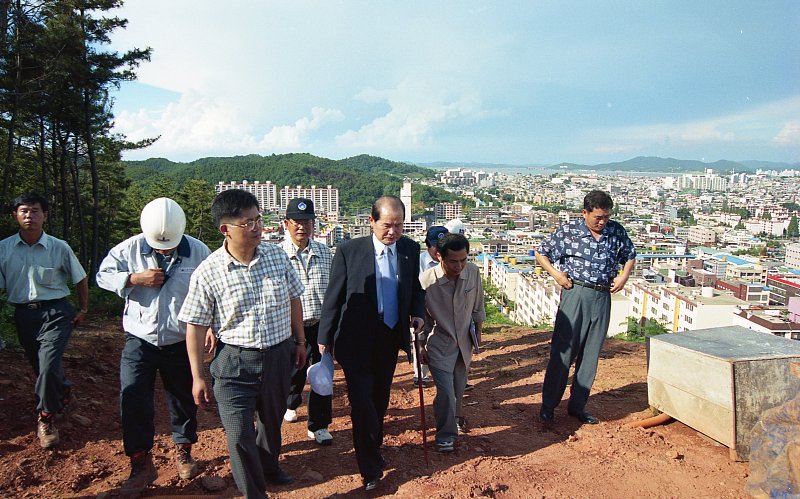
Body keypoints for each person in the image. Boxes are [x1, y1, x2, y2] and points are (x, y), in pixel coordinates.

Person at [178, 189, 307, 499]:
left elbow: (294, 299)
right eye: (248, 222)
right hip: (235, 364)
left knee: (271, 422)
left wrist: (300, 340)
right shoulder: (208, 272)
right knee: (238, 435)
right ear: (226, 229)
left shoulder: (276, 256)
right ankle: (254, 493)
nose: (258, 227)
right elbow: (194, 328)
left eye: (258, 219)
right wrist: (197, 376)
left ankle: (269, 466)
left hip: (278, 355)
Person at [96, 198, 211, 493]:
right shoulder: (129, 249)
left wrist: (211, 325)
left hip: (181, 338)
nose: (163, 249)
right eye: (158, 245)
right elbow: (102, 275)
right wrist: (133, 278)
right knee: (133, 397)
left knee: (183, 398)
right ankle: (140, 462)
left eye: (169, 244)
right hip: (140, 337)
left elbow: (212, 290)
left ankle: (184, 450)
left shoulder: (198, 251)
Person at [318, 195, 425, 492]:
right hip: (355, 338)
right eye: (387, 226)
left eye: (399, 226)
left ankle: (372, 442)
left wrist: (417, 313)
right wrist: (323, 339)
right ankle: (370, 467)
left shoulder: (409, 249)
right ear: (371, 221)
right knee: (362, 401)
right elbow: (334, 296)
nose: (393, 232)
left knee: (379, 398)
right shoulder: (350, 251)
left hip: (390, 335)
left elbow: (414, 287)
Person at [535, 190, 636, 425]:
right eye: (597, 217)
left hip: (602, 296)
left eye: (606, 217)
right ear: (585, 212)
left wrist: (623, 277)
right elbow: (542, 252)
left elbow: (630, 254)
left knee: (590, 355)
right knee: (563, 352)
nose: (602, 222)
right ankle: (548, 406)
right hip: (576, 293)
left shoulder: (616, 231)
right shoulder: (569, 231)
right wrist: (556, 275)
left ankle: (577, 406)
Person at [0, 192, 88, 449]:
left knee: (48, 363)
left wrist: (83, 309)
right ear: (16, 215)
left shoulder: (58, 247)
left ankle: (46, 417)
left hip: (56, 312)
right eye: (24, 211)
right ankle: (62, 389)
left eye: (35, 211)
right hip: (24, 314)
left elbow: (80, 278)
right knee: (40, 367)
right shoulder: (4, 249)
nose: (30, 216)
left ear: (45, 215)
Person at [419, 233, 485, 453]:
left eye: (463, 260)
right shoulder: (427, 281)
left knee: (458, 388)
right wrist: (420, 346)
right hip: (439, 344)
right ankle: (445, 435)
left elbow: (478, 308)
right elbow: (420, 319)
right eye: (453, 261)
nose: (459, 266)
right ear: (440, 257)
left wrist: (479, 335)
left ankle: (455, 419)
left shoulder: (473, 272)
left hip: (464, 344)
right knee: (446, 391)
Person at [280, 198, 334, 446]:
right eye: (297, 222)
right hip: (290, 327)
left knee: (322, 376)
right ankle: (292, 401)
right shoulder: (277, 255)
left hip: (320, 324)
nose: (302, 227)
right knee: (293, 372)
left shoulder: (325, 252)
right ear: (286, 224)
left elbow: (335, 290)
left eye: (307, 222)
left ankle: (319, 425)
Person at [414, 225, 448, 386]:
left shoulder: (450, 261)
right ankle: (421, 376)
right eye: (436, 246)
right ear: (428, 244)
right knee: (420, 339)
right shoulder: (418, 261)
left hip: (444, 308)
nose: (439, 250)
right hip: (423, 306)